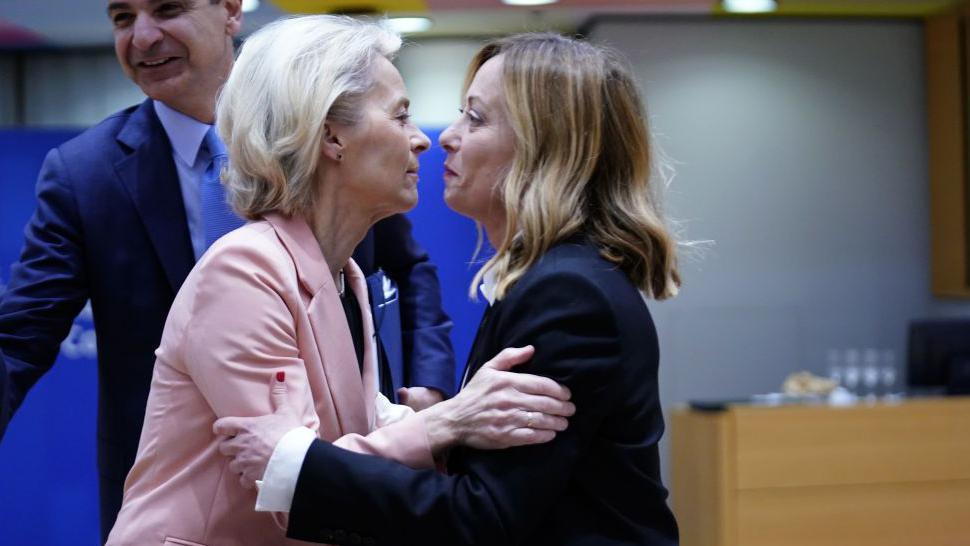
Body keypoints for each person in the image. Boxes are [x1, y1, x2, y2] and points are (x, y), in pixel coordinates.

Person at [106, 16, 575, 546]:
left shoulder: (346, 273)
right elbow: (290, 484)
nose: (422, 140)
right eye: (400, 116)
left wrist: (450, 418)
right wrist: (450, 423)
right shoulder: (243, 272)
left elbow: (334, 449)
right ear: (331, 135)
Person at [0, 0, 454, 539]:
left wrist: (431, 397)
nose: (143, 37)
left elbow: (406, 268)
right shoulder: (86, 173)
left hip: (317, 483)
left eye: (168, 9)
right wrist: (445, 428)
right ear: (330, 139)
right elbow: (18, 337)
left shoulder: (346, 240)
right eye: (122, 18)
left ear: (232, 12)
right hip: (194, 503)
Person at [216, 32, 683, 546]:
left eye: (476, 118)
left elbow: (484, 517)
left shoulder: (567, 291)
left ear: (544, 148)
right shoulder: (557, 278)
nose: (443, 137)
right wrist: (442, 423)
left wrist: (299, 470)